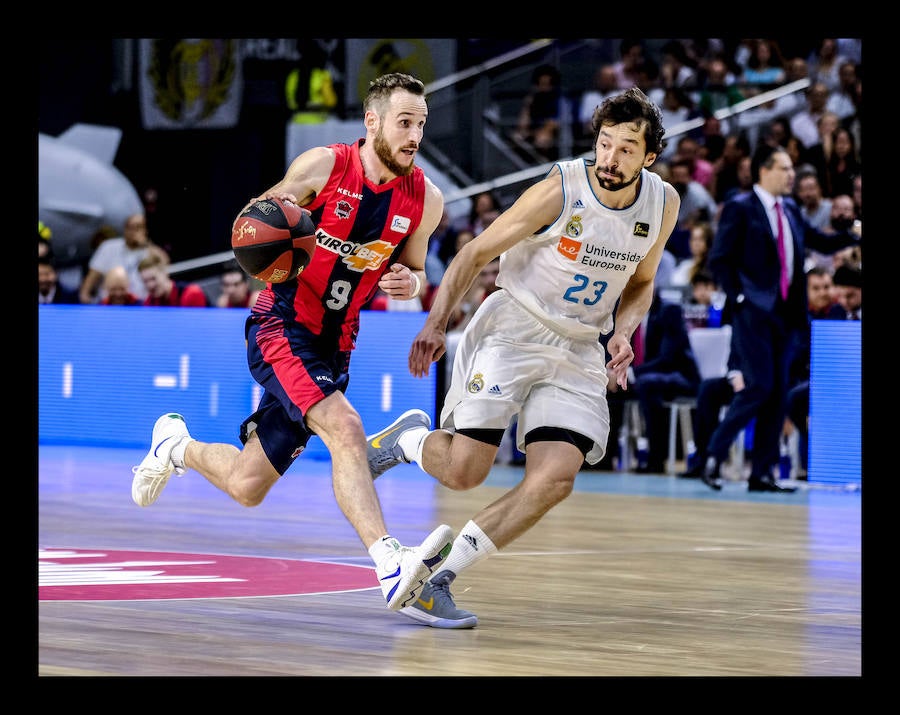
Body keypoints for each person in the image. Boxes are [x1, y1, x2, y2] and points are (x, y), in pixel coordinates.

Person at [130, 72, 453, 612]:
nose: (414, 135)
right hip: (282, 326)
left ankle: (173, 445)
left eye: (420, 124)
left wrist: (409, 281)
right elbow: (254, 226)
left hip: (336, 346)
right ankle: (389, 561)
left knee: (246, 484)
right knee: (346, 428)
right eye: (404, 122)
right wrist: (269, 245)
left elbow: (413, 267)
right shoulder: (322, 167)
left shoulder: (427, 199)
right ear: (371, 121)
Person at [366, 87, 678, 628]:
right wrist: (436, 324)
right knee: (464, 473)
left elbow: (642, 282)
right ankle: (409, 441)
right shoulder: (562, 187)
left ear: (648, 157)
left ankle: (437, 577)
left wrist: (625, 330)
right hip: (515, 328)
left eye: (626, 149)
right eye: (605, 144)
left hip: (580, 345)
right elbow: (475, 252)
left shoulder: (663, 203)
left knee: (556, 478)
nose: (610, 158)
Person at [698, 143, 860, 493]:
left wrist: (851, 235)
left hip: (787, 315)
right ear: (764, 170)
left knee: (778, 394)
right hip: (753, 313)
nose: (792, 176)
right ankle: (713, 456)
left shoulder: (790, 208)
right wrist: (740, 297)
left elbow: (817, 240)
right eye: (785, 169)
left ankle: (763, 473)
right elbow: (720, 258)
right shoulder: (740, 208)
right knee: (759, 386)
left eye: (792, 169)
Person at [78, 212, 168, 304]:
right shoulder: (109, 247)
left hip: (140, 305)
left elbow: (164, 266)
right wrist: (84, 294)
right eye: (130, 227)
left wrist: (146, 244)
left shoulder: (150, 250)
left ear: (145, 230)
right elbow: (92, 276)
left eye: (138, 227)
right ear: (125, 229)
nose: (133, 231)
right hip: (109, 303)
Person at [138, 251, 210, 307]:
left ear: (165, 273)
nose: (150, 285)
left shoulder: (191, 293)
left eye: (153, 279)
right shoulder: (149, 303)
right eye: (145, 281)